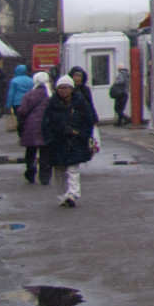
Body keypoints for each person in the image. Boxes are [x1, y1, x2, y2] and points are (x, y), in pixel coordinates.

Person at [41, 75, 96, 207]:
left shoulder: (80, 103)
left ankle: (73, 194)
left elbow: (88, 120)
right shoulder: (52, 104)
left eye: (66, 87)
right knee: (59, 171)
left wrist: (82, 134)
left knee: (73, 169)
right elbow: (46, 123)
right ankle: (62, 196)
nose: (63, 90)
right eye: (60, 88)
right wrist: (49, 139)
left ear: (71, 89)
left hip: (75, 141)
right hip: (57, 142)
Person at [16, 72, 53, 185]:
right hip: (46, 127)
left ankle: (30, 171)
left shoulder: (28, 95)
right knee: (45, 153)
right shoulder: (51, 95)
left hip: (31, 127)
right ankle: (45, 176)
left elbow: (22, 112)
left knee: (30, 151)